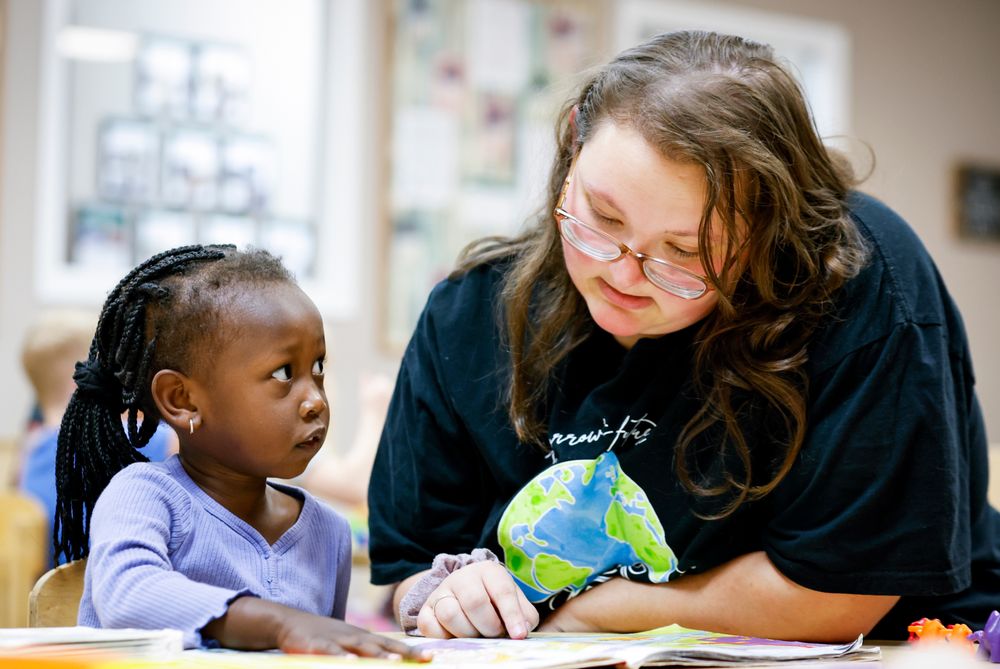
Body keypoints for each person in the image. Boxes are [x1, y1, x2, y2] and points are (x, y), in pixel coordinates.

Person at [368, 30, 998, 643]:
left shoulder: (861, 283)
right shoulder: (468, 313)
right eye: (601, 217)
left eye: (685, 252)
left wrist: (598, 612)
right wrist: (445, 598)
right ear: (571, 148)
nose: (623, 274)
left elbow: (841, 590)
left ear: (769, 240)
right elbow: (412, 568)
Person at [54, 244, 422, 659]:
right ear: (182, 399)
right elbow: (128, 595)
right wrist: (280, 621)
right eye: (284, 373)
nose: (315, 400)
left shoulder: (328, 533)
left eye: (317, 367)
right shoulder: (143, 495)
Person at [18, 308, 176, 566]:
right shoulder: (146, 440)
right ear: (83, 380)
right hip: (123, 583)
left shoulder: (30, 450)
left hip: (51, 594)